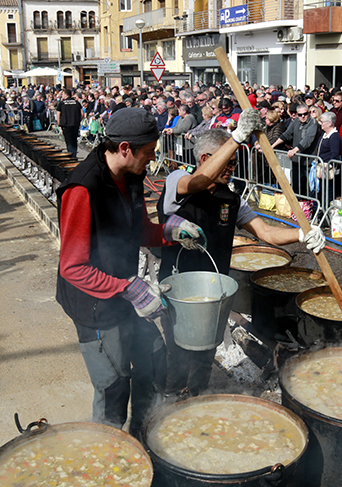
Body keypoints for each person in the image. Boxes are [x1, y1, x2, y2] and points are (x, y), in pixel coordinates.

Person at [56, 107, 205, 436]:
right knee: (113, 385)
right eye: (149, 152)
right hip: (93, 305)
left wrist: (169, 232)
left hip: (123, 291)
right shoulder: (83, 189)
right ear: (125, 148)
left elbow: (138, 230)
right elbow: (72, 267)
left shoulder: (131, 176)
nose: (152, 159)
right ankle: (107, 449)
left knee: (153, 357)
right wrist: (129, 288)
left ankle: (142, 434)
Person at [157, 118, 325, 397]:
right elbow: (196, 183)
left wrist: (301, 234)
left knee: (205, 352)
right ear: (206, 159)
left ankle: (194, 396)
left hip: (214, 290)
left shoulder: (233, 200)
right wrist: (236, 137)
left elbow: (266, 233)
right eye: (229, 163)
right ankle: (168, 400)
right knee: (178, 349)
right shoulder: (178, 181)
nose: (233, 170)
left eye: (235, 163)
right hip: (178, 288)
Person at [56, 89, 83, 158]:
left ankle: (71, 155)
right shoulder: (77, 103)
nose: (61, 96)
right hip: (75, 124)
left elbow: (58, 114)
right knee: (74, 140)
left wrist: (59, 124)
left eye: (62, 94)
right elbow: (82, 113)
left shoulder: (62, 103)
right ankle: (74, 154)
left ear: (66, 95)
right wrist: (78, 120)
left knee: (68, 141)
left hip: (66, 124)